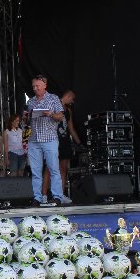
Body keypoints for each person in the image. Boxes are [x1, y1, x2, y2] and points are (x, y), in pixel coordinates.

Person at [24, 75, 71, 205]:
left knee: (54, 169)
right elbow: (26, 123)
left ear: (45, 85)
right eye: (33, 86)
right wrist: (25, 117)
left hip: (49, 139)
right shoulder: (30, 101)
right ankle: (37, 197)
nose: (35, 88)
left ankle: (57, 196)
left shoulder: (53, 98)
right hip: (34, 139)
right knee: (36, 171)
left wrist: (50, 114)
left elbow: (60, 116)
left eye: (37, 86)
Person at [43, 90, 81, 196]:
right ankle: (44, 195)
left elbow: (71, 129)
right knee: (49, 168)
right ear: (68, 96)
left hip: (65, 142)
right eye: (72, 99)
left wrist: (79, 143)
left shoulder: (68, 111)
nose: (72, 101)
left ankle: (60, 195)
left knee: (63, 169)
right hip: (53, 141)